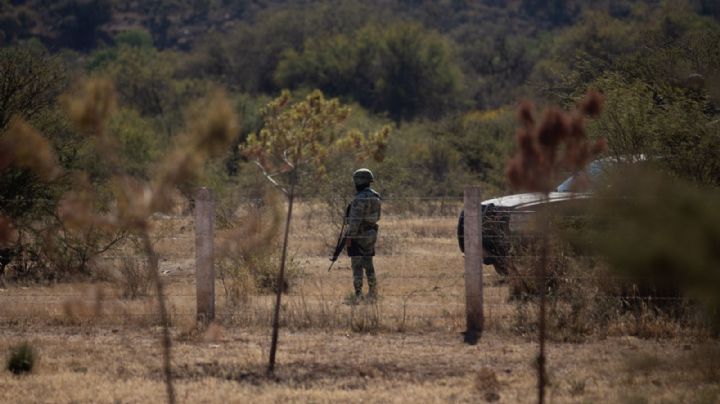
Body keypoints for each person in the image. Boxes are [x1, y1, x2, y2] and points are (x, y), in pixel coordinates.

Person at [346, 168, 382, 301]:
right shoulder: (376, 196)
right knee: (369, 263)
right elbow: (378, 216)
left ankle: (358, 293)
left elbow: (354, 221)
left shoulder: (359, 199)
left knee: (357, 265)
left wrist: (349, 237)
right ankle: (373, 292)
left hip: (358, 235)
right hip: (371, 233)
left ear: (359, 181)